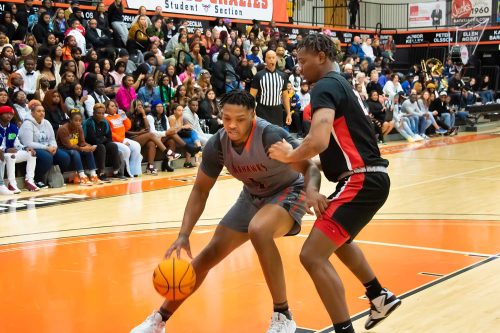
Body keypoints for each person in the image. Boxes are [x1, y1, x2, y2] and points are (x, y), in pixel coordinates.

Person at [131, 90, 322, 333]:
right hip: (252, 197)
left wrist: (313, 192)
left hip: (290, 191)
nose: (232, 125)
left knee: (259, 230)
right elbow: (200, 191)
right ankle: (159, 320)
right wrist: (184, 234)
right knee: (205, 258)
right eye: (226, 118)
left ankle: (283, 315)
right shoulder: (218, 144)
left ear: (253, 115)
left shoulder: (270, 136)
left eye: (240, 119)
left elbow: (310, 168)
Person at [268, 34, 401, 333]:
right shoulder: (342, 84)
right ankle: (379, 295)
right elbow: (322, 154)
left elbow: (316, 141)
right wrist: (311, 187)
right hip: (366, 177)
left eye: (302, 61)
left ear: (320, 55)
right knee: (338, 240)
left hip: (361, 178)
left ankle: (344, 330)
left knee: (311, 255)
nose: (299, 68)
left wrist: (289, 156)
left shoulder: (325, 86)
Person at [18, 100, 71, 188]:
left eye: (43, 111)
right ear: (32, 113)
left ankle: (55, 176)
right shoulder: (27, 124)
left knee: (64, 157)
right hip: (32, 149)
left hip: (47, 148)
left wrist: (53, 147)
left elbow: (52, 139)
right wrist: (46, 148)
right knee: (47, 157)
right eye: (39, 111)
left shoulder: (46, 122)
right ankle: (37, 179)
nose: (42, 113)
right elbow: (28, 143)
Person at [0, 105, 39, 193]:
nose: (9, 116)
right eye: (6, 114)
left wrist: (26, 148)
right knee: (11, 156)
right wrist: (6, 150)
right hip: (3, 153)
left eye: (11, 114)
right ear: (0, 115)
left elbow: (17, 143)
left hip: (9, 153)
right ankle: (12, 183)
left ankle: (29, 180)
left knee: (31, 154)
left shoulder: (13, 128)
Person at [56, 111, 102, 186]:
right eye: (76, 120)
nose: (78, 122)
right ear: (70, 120)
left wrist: (89, 147)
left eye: (80, 121)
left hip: (74, 147)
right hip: (62, 149)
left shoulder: (79, 128)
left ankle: (93, 175)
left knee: (89, 151)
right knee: (75, 152)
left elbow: (82, 142)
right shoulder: (63, 129)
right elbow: (69, 146)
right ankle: (82, 176)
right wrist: (83, 148)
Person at [250, 50, 291, 127]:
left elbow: (285, 96)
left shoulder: (282, 76)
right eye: (269, 58)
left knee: (276, 136)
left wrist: (288, 113)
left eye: (273, 58)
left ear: (276, 59)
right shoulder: (258, 75)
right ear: (265, 59)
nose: (271, 60)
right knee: (262, 135)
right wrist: (252, 110)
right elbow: (252, 96)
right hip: (262, 110)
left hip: (277, 110)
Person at [83, 103, 122, 182]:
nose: (101, 115)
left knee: (113, 145)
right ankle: (101, 173)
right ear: (94, 113)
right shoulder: (89, 122)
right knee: (101, 147)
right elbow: (92, 139)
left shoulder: (105, 122)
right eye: (98, 113)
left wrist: (102, 139)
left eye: (102, 113)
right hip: (89, 145)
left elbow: (109, 138)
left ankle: (116, 172)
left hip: (101, 143)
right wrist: (103, 138)